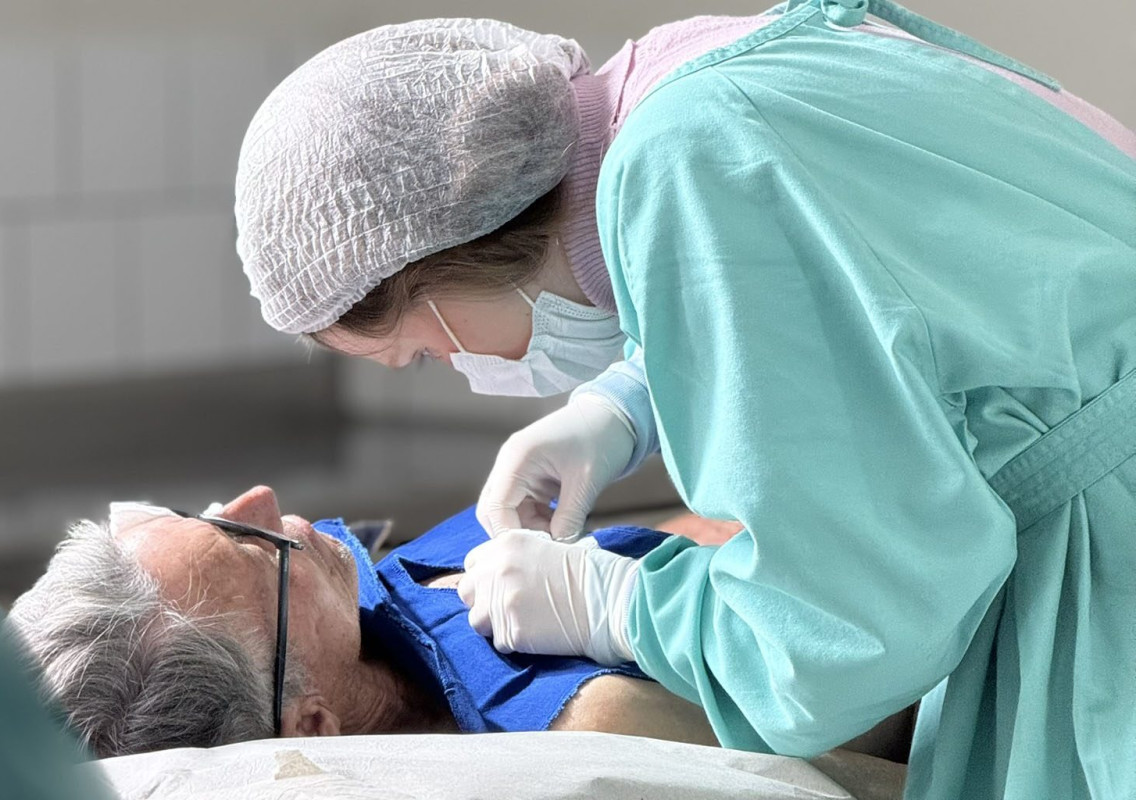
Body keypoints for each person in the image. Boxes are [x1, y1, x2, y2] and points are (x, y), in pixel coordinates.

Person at [232, 2, 1136, 797]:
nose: (465, 368)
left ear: (455, 246)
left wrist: (620, 609)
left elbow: (847, 636)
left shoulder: (688, 166)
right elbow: (882, 290)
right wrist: (635, 396)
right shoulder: (687, 86)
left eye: (428, 352)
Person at [4, 486, 727, 757]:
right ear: (310, 722)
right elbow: (789, 677)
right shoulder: (584, 722)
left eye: (208, 515)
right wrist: (629, 604)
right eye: (255, 549)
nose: (264, 502)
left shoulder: (363, 615)